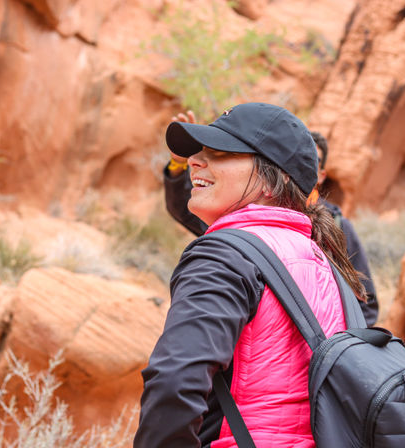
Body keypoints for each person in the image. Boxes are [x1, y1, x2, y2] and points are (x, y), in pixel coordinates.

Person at [134, 103, 366, 447]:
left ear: (271, 181)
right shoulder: (322, 259)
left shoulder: (225, 255)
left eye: (219, 152)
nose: (195, 161)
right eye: (200, 152)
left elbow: (174, 383)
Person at [163, 112, 378, 326]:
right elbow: (184, 211)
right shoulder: (242, 221)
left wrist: (338, 345)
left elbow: (364, 301)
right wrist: (177, 166)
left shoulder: (336, 225)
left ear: (320, 174)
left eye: (313, 160)